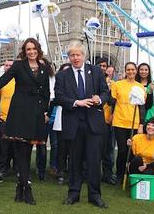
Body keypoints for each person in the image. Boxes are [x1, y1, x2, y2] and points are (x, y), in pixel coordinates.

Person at [0, 38, 51, 205]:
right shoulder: (18, 66)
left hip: (36, 113)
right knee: (21, 152)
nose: (31, 52)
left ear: (38, 50)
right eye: (28, 49)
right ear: (25, 51)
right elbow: (3, 80)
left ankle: (20, 187)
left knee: (28, 150)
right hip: (19, 113)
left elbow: (46, 91)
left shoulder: (43, 68)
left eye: (33, 49)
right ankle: (26, 188)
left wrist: (45, 111)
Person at [54, 41, 109, 209]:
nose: (75, 58)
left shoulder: (96, 71)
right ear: (68, 57)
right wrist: (77, 102)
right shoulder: (62, 75)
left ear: (84, 56)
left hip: (94, 124)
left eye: (78, 54)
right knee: (74, 162)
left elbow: (106, 93)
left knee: (93, 161)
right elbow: (59, 97)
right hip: (73, 124)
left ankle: (95, 196)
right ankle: (73, 194)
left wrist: (98, 99)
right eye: (72, 55)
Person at [111, 62, 146, 184]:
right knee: (122, 150)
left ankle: (131, 172)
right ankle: (119, 174)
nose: (130, 72)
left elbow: (142, 107)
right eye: (128, 69)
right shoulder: (118, 84)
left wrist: (141, 123)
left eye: (133, 69)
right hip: (120, 121)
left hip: (134, 122)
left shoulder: (140, 86)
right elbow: (112, 101)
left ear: (136, 71)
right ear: (125, 71)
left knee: (132, 150)